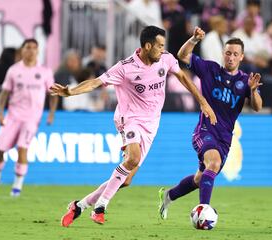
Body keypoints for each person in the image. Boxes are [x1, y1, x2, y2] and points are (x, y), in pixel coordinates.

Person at [49, 26, 217, 227]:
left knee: (126, 180)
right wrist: (70, 92)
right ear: (147, 46)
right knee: (133, 158)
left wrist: (202, 101)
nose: (163, 49)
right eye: (160, 45)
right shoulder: (125, 67)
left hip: (151, 124)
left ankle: (79, 206)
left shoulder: (165, 59)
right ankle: (100, 207)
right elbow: (95, 82)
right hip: (129, 118)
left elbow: (182, 77)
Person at [158, 27, 263, 220]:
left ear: (241, 57)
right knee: (213, 164)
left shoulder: (245, 81)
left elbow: (257, 107)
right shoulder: (210, 69)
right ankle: (203, 212)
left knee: (200, 178)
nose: (231, 57)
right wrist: (194, 39)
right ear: (223, 54)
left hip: (224, 138)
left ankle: (168, 195)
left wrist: (253, 91)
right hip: (204, 131)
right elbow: (182, 55)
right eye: (228, 53)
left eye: (235, 54)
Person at [0, 39, 58, 197]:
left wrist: (51, 113)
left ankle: (17, 186)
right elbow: (4, 93)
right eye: (28, 47)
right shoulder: (13, 70)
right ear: (22, 50)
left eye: (34, 48)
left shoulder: (45, 71)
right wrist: (0, 113)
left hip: (32, 118)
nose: (31, 50)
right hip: (13, 116)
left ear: (38, 51)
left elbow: (53, 94)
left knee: (22, 148)